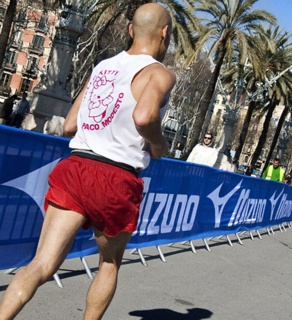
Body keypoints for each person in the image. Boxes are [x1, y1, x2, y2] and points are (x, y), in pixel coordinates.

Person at [0, 3, 176, 319]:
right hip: (117, 175)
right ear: (165, 34)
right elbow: (145, 114)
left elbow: (69, 125)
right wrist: (159, 144)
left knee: (41, 263)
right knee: (108, 263)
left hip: (76, 166)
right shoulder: (159, 73)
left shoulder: (103, 67)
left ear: (131, 30)